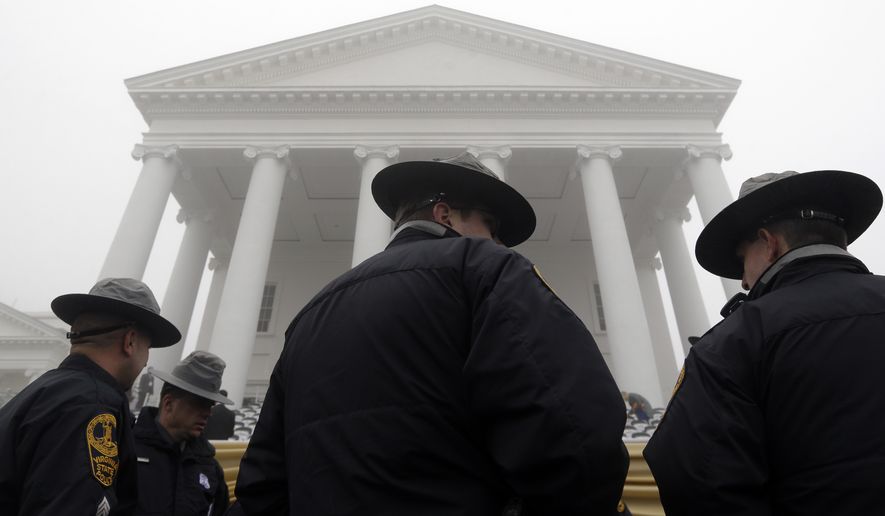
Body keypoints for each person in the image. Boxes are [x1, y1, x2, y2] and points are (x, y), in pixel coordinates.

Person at [231, 152, 629, 515]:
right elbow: (575, 433)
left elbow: (263, 484)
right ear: (445, 215)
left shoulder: (310, 315)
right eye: (490, 226)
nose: (499, 241)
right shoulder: (484, 267)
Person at [644, 170, 885, 515]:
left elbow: (698, 482)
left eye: (742, 260)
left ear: (769, 243)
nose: (743, 281)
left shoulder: (733, 343)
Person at [0, 277, 181, 516]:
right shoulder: (95, 406)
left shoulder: (36, 393)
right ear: (130, 341)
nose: (146, 359)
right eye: (147, 347)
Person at [134, 351, 232, 516]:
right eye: (200, 403)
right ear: (168, 403)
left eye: (210, 405)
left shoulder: (210, 467)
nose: (208, 413)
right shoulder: (126, 449)